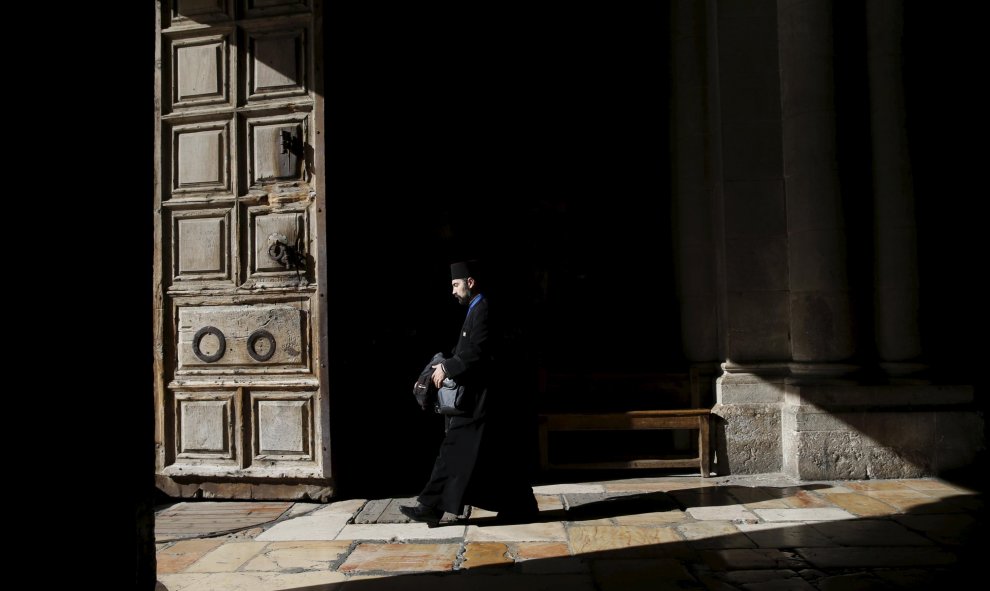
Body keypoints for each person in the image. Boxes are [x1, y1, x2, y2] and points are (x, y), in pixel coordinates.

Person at [400, 260, 540, 526]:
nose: (453, 291)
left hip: (479, 399)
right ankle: (521, 505)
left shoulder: (483, 309)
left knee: (453, 450)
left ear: (470, 282)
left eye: (455, 284)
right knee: (492, 455)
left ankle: (431, 506)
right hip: (479, 398)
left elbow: (478, 352)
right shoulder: (477, 308)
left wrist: (449, 368)